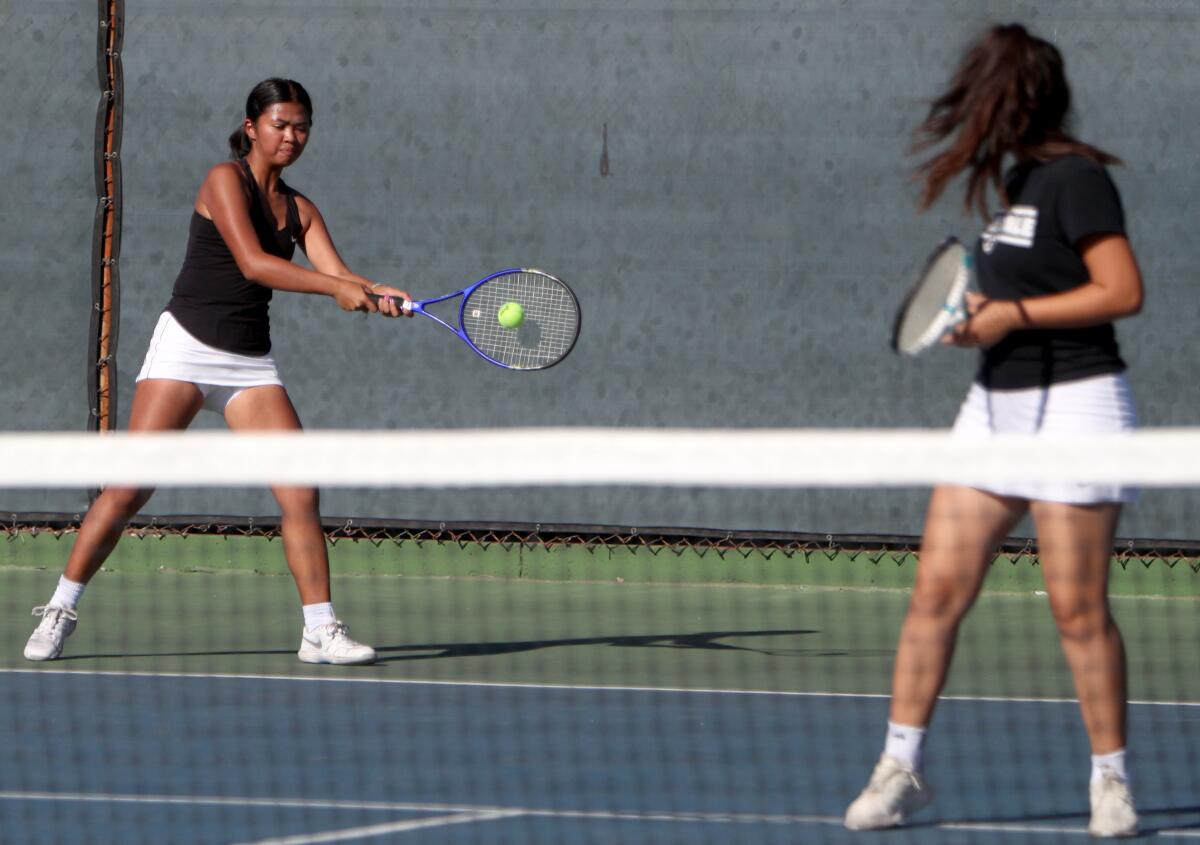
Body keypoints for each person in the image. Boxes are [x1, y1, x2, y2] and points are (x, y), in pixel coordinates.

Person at [844, 25, 1143, 838]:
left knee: (1076, 608)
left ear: (1008, 97)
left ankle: (1110, 780)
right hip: (995, 409)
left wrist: (1015, 312)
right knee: (936, 591)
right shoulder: (1016, 184)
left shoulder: (1077, 181)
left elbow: (1121, 289)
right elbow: (1020, 295)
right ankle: (900, 766)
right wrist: (984, 319)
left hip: (1079, 407)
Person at [24, 78, 408, 666]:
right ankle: (60, 609)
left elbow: (339, 271)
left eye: (301, 126)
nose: (291, 137)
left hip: (248, 363)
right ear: (252, 127)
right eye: (280, 125)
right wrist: (336, 289)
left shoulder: (300, 209)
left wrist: (374, 291)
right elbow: (254, 265)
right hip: (186, 346)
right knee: (129, 486)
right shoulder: (222, 180)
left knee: (300, 488)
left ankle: (319, 630)